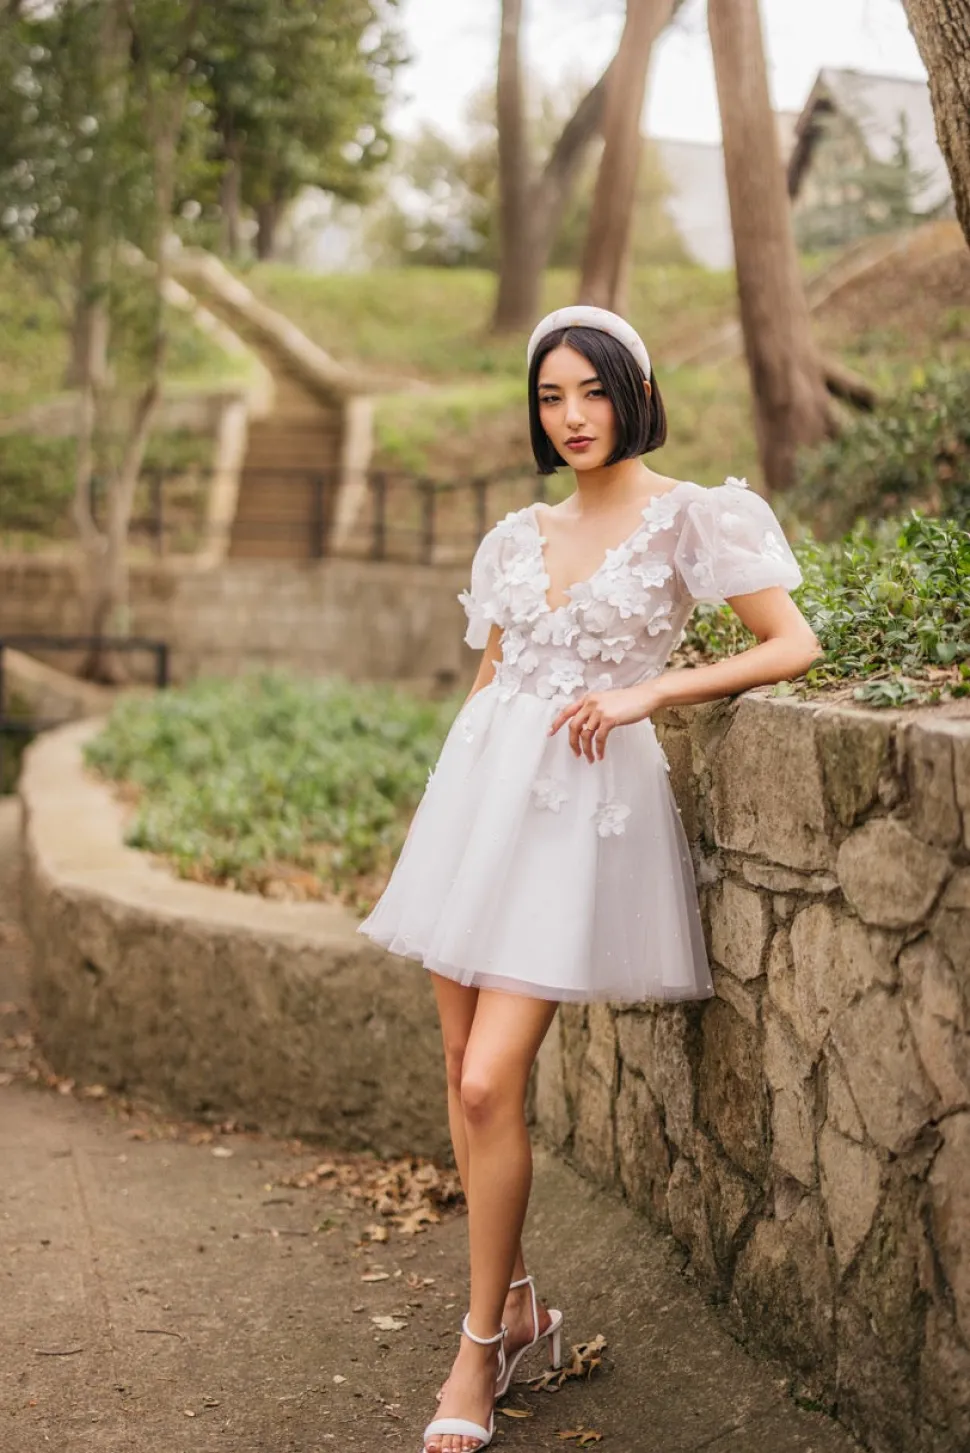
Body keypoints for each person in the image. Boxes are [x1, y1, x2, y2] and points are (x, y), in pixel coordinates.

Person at [357, 305, 822, 1453]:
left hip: (578, 814)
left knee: (487, 1081)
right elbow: (489, 680)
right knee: (460, 1070)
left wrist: (647, 693)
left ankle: (474, 1354)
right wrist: (438, 823)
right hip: (477, 803)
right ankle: (515, 1307)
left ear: (635, 391)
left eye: (592, 391)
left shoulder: (692, 519)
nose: (571, 416)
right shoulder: (513, 533)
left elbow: (789, 643)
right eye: (551, 395)